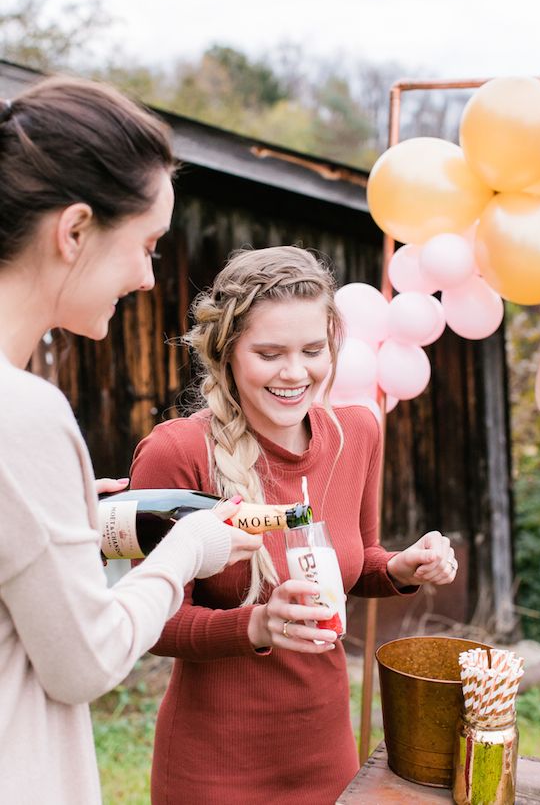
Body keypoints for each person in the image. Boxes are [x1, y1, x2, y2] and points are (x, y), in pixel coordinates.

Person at [0, 76, 263, 805]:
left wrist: (64, 516)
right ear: (75, 230)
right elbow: (83, 663)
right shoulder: (22, 415)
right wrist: (190, 551)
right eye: (145, 246)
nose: (149, 279)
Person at [130, 244, 459, 805]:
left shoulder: (358, 433)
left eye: (312, 350)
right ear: (228, 351)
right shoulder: (176, 452)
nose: (294, 373)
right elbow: (148, 624)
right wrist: (256, 626)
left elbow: (354, 563)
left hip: (326, 758)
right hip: (213, 769)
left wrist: (401, 567)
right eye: (269, 353)